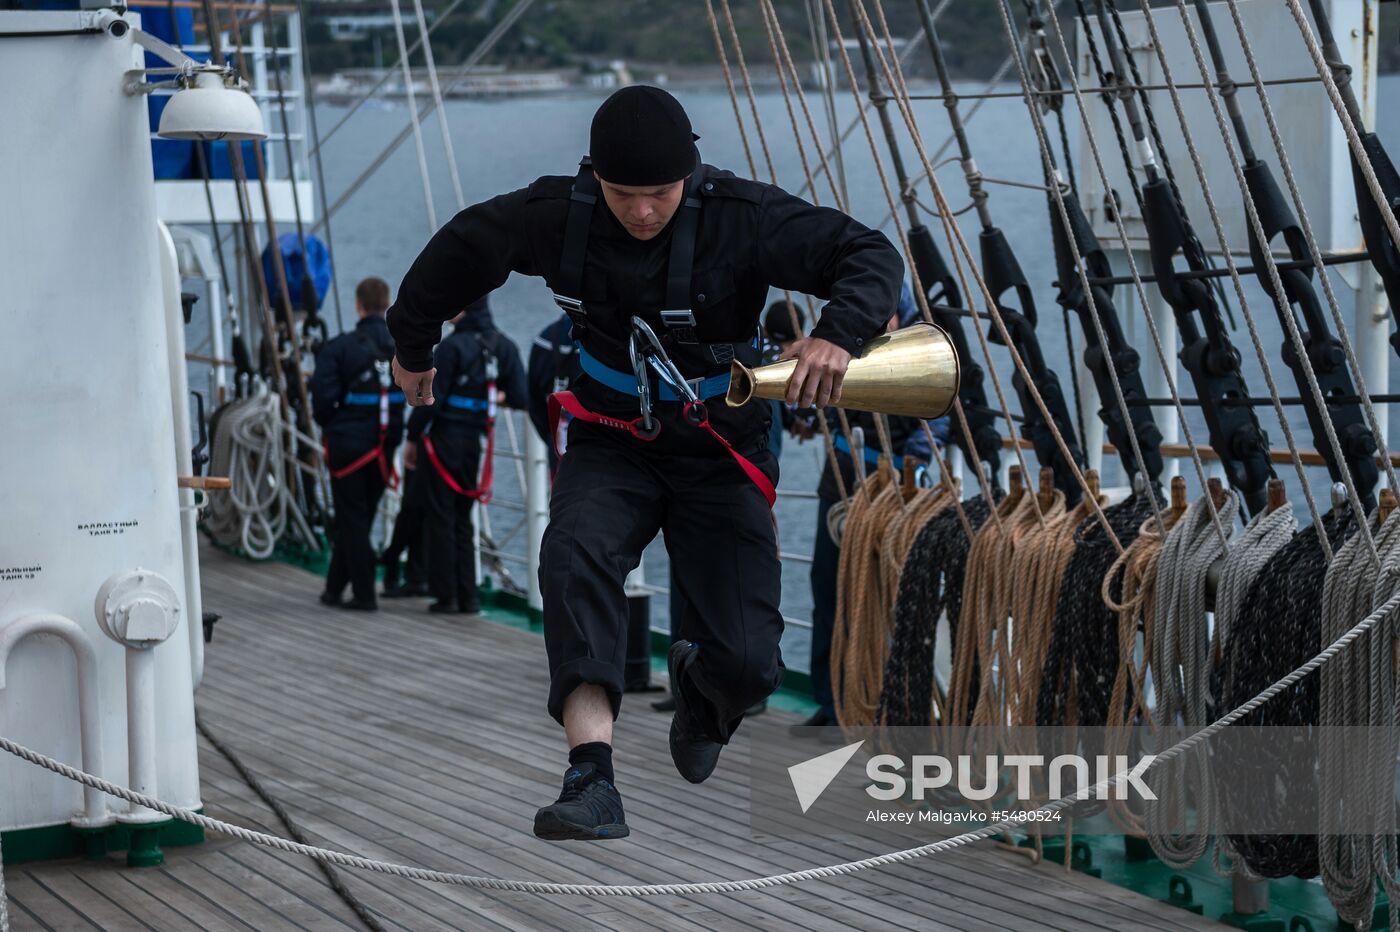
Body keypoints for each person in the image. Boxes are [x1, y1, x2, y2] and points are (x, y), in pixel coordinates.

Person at [387, 85, 901, 841]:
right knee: (572, 555)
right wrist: (411, 348)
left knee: (752, 662)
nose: (643, 213)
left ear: (688, 176)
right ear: (595, 175)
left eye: (659, 195)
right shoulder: (557, 214)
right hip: (610, 436)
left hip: (719, 445)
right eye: (624, 195)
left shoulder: (743, 216)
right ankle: (591, 777)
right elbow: (458, 253)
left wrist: (839, 332)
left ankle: (703, 689)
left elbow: (867, 253)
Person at [791, 288, 948, 733]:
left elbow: (938, 414)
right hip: (841, 476)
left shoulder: (924, 345)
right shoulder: (843, 341)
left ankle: (888, 706)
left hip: (897, 485)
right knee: (828, 585)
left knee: (888, 597)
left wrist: (917, 463)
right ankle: (832, 700)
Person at [406, 296, 527, 614]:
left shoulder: (451, 348)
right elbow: (521, 395)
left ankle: (447, 595)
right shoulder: (504, 346)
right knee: (464, 519)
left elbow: (431, 399)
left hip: (444, 440)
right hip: (475, 443)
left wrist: (411, 437)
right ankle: (469, 596)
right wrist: (496, 395)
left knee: (442, 516)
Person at [311, 277, 405, 611]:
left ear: (358, 305)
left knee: (352, 518)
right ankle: (334, 589)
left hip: (348, 447)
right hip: (385, 446)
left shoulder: (339, 348)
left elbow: (321, 401)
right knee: (358, 519)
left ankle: (365, 594)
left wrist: (334, 426)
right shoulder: (400, 348)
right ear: (387, 303)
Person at [526, 312, 580, 471]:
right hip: (599, 444)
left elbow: (534, 400)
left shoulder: (546, 337)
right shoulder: (605, 339)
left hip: (557, 438)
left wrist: (550, 436)